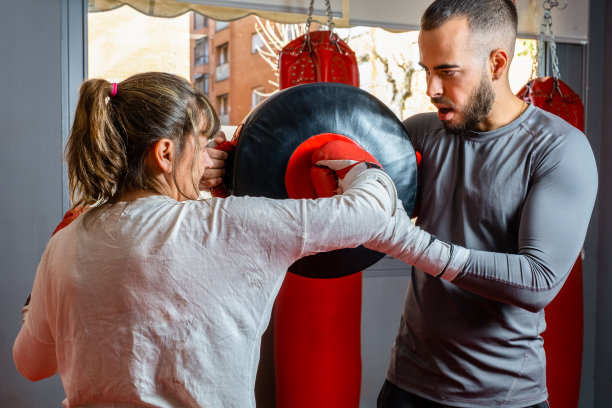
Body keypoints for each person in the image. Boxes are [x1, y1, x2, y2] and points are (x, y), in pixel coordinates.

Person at [12, 72, 404, 407]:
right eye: (202, 146)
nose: (210, 160)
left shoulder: (66, 241)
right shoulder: (230, 227)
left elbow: (32, 364)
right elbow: (371, 213)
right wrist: (345, 153)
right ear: (165, 152)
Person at [364, 0, 598, 407]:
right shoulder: (424, 133)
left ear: (497, 63)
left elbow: (538, 280)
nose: (431, 89)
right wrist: (233, 164)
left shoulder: (558, 149)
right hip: (405, 385)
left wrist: (413, 244)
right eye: (426, 70)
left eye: (447, 71)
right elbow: (329, 158)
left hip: (501, 396)